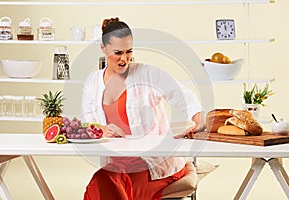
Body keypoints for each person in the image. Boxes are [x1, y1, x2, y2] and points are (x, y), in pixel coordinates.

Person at [82, 17, 206, 200]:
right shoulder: (92, 83)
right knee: (105, 180)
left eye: (129, 51)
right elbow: (90, 123)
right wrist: (102, 130)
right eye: (118, 53)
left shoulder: (147, 74)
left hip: (155, 165)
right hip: (117, 165)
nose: (124, 59)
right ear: (103, 48)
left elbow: (183, 96)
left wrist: (199, 120)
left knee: (105, 183)